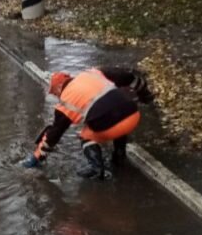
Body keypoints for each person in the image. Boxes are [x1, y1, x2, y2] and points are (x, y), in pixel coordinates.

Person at [22, 67, 153, 180]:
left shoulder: (65, 101)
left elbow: (54, 134)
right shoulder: (92, 73)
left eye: (54, 92)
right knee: (115, 114)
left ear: (58, 88)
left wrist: (36, 157)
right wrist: (144, 94)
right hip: (133, 114)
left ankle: (96, 169)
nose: (56, 95)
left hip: (115, 126)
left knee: (86, 134)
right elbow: (127, 76)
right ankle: (119, 156)